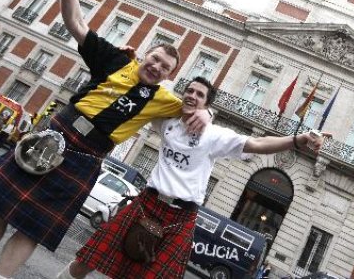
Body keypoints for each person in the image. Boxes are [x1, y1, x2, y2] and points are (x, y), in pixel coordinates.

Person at [0, 0, 211, 279]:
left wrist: (208, 114)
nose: (158, 67)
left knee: (32, 227)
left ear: (170, 76)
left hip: (87, 157)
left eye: (166, 67)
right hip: (58, 132)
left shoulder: (163, 99)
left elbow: (194, 107)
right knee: (0, 206)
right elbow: (75, 23)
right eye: (155, 59)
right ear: (145, 56)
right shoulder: (115, 59)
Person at [55, 77, 329, 279]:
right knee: (88, 259)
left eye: (200, 95)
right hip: (146, 202)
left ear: (207, 104)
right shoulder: (166, 121)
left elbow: (257, 144)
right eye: (189, 91)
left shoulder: (214, 135)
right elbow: (151, 90)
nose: (192, 96)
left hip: (181, 216)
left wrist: (297, 139)